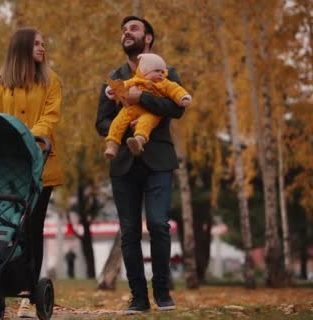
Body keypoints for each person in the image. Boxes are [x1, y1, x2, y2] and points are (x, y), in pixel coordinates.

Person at [95, 16, 186, 313]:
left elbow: (176, 109)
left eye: (133, 29)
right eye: (124, 30)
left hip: (158, 159)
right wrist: (126, 125)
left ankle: (162, 291)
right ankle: (138, 297)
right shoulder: (114, 77)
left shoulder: (166, 71)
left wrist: (141, 97)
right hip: (123, 162)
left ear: (148, 38)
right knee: (129, 231)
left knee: (159, 224)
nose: (126, 32)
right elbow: (101, 122)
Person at [0, 27, 64, 318]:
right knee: (6, 225)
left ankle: (28, 293)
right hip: (7, 167)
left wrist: (26, 138)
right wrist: (9, 141)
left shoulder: (51, 82)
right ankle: (2, 282)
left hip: (40, 166)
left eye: (44, 43)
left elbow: (50, 117)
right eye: (37, 44)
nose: (42, 48)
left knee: (32, 228)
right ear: (21, 48)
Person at [104, 53, 192, 159]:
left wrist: (183, 97)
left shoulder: (165, 83)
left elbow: (176, 90)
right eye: (156, 71)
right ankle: (112, 146)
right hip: (132, 109)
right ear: (145, 71)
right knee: (119, 120)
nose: (160, 74)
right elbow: (124, 85)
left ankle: (138, 141)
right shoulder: (136, 80)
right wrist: (112, 90)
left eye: (162, 72)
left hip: (151, 113)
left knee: (146, 123)